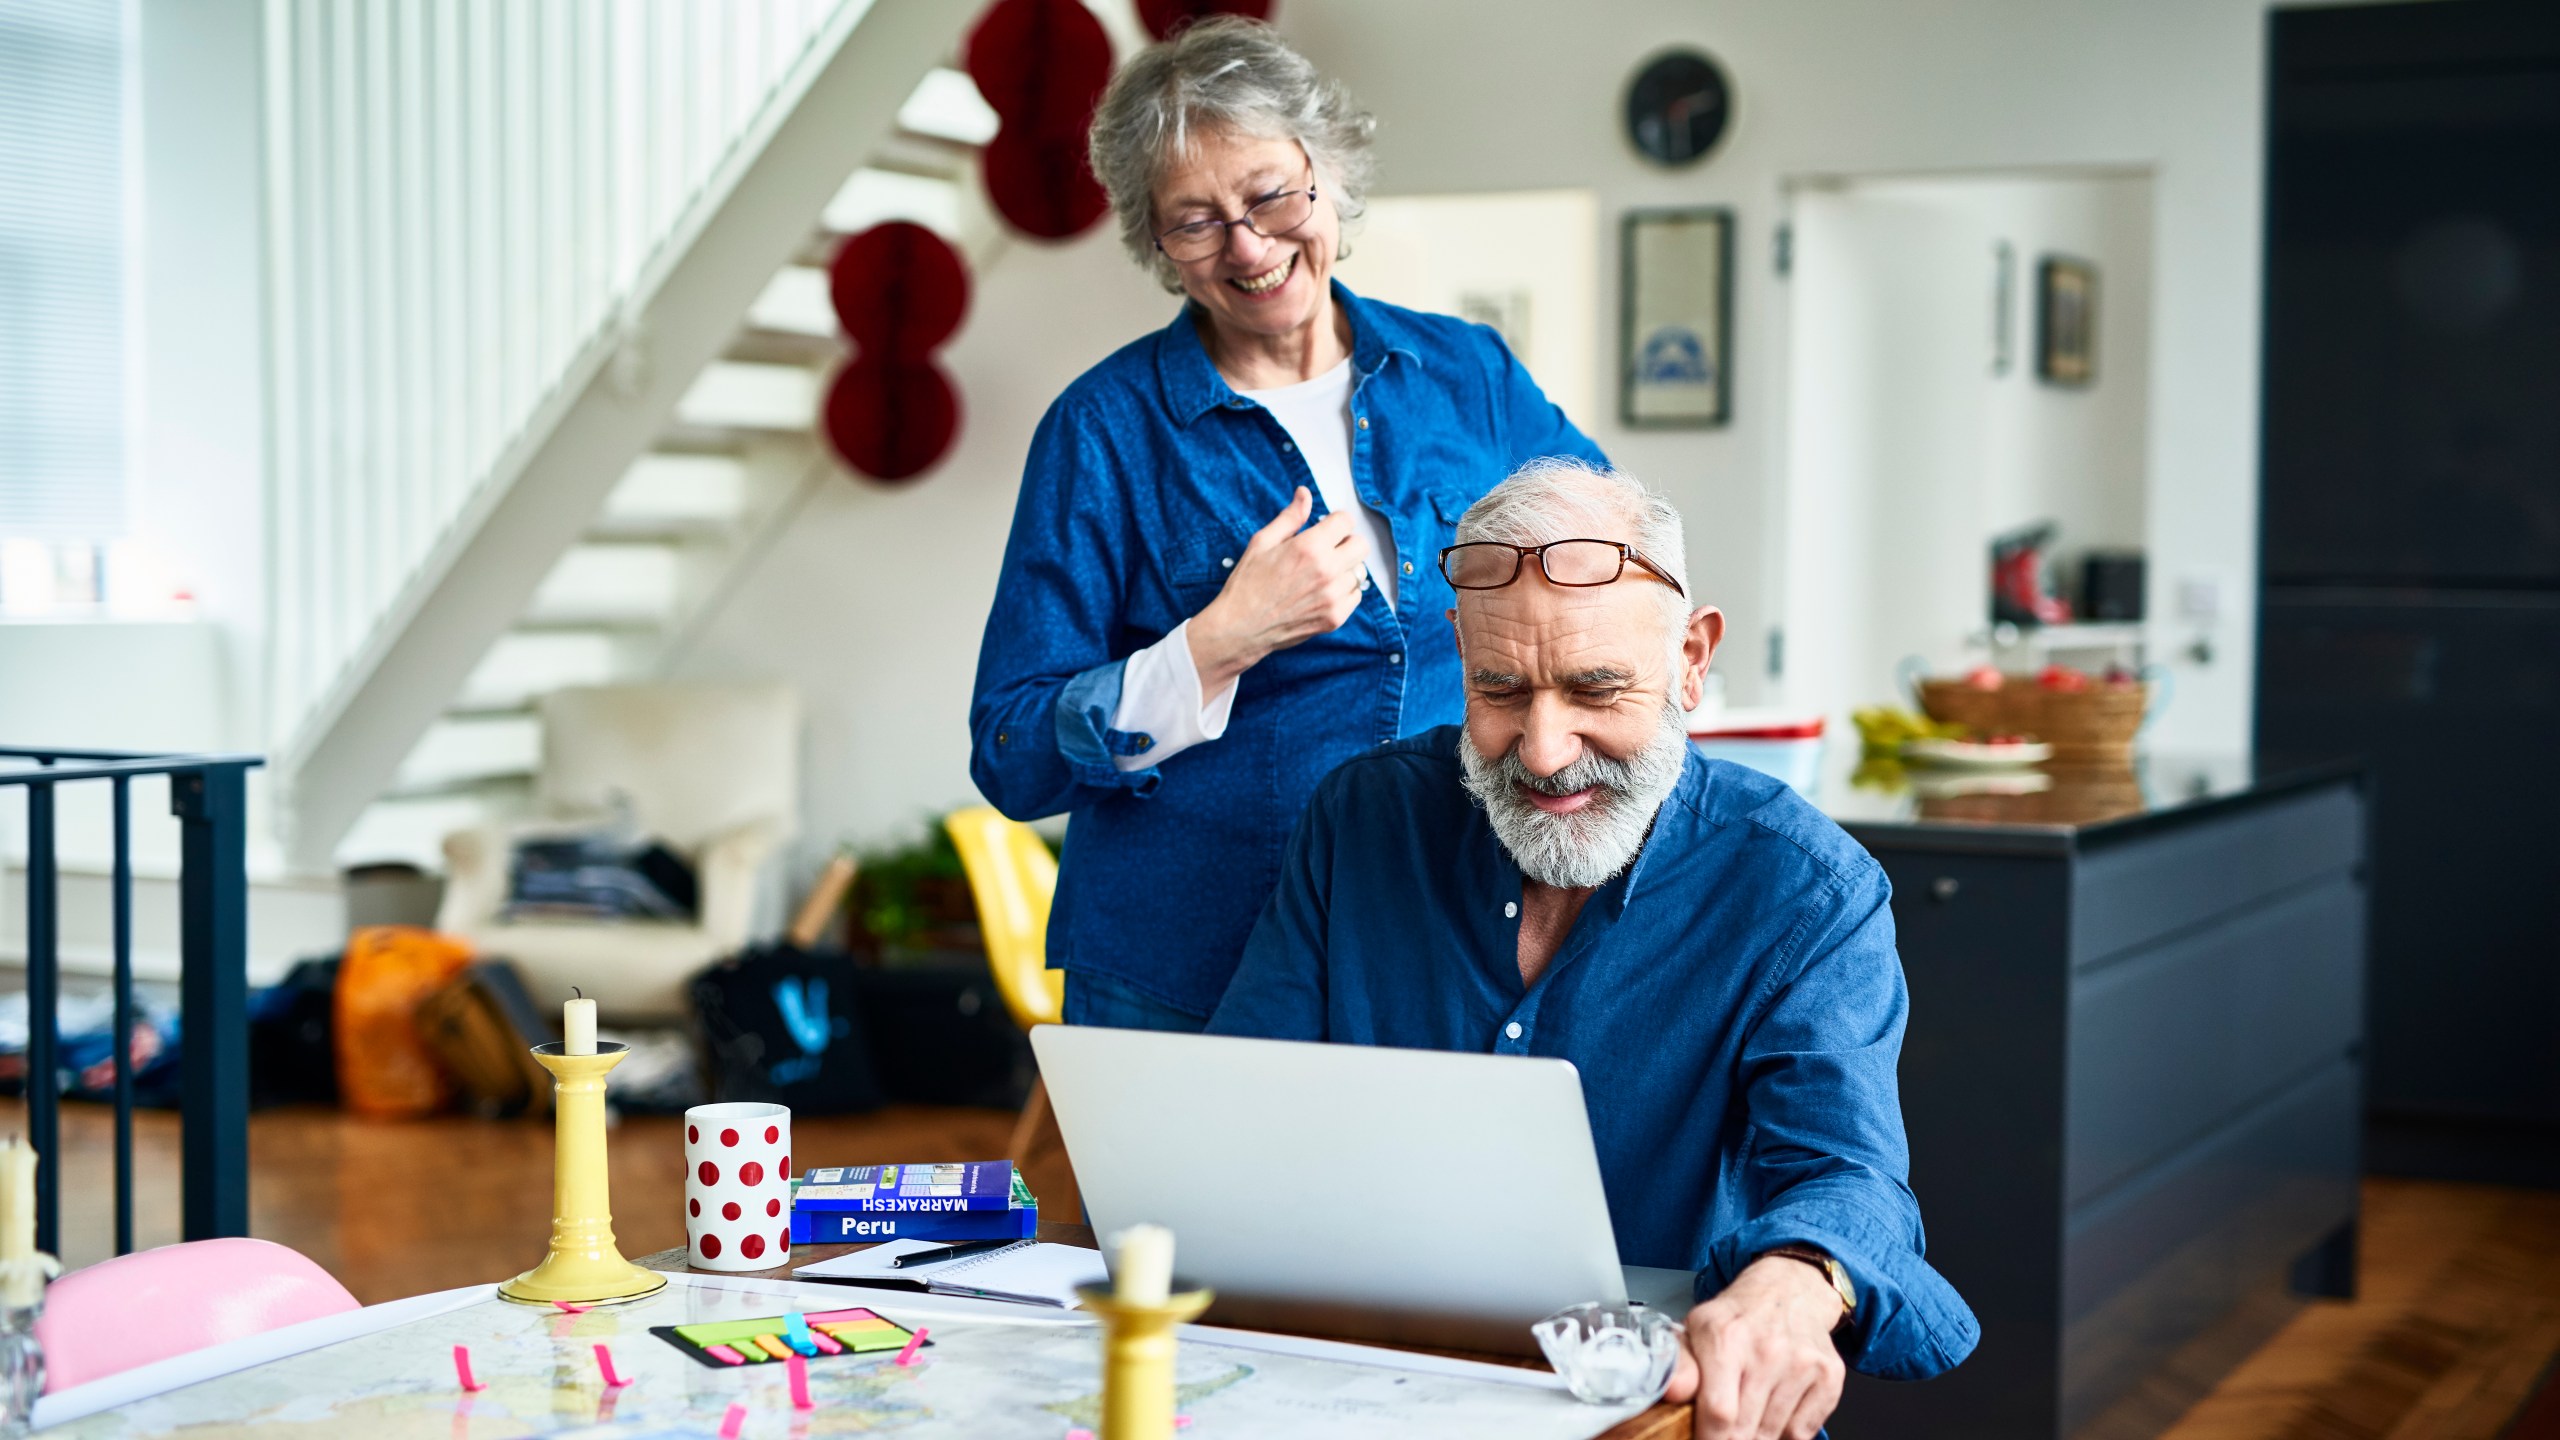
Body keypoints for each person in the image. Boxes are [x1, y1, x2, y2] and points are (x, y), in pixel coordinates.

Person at [1208, 459, 1979, 1438]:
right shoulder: (1361, 818)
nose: (1540, 748)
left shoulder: (1803, 889)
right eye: (1500, 690)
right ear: (1459, 654)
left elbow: (1847, 1176)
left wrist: (1798, 1278)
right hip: (1368, 1387)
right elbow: (1238, 1110)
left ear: (1692, 660)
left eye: (1594, 688)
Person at [969, 19, 1605, 1032]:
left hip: (1443, 949)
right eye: (1196, 220)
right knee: (1176, 1205)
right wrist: (1219, 642)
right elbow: (1010, 748)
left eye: (1271, 196)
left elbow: (1606, 569)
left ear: (1328, 172)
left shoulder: (1468, 375)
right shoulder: (1102, 430)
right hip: (1186, 968)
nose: (1250, 247)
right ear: (1157, 241)